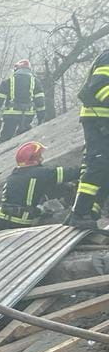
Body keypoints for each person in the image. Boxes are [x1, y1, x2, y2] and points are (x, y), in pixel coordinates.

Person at [0, 142, 77, 236]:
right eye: (39, 156)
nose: (41, 159)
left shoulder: (14, 175)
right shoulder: (40, 173)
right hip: (20, 221)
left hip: (0, 216)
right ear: (34, 159)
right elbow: (71, 173)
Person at [67, 47, 109, 230]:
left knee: (104, 167)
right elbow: (98, 86)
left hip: (102, 119)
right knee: (98, 164)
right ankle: (80, 212)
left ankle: (90, 212)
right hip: (98, 119)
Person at [0, 60, 46, 142]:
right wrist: (40, 118)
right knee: (25, 139)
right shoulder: (35, 82)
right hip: (28, 115)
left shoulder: (8, 81)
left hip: (11, 115)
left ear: (16, 69)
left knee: (4, 140)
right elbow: (40, 103)